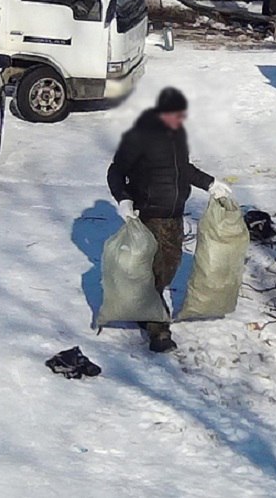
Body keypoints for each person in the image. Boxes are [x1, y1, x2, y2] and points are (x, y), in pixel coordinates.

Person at [106, 87, 232, 353]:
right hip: (149, 213)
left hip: (174, 213)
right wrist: (124, 199)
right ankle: (158, 328)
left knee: (169, 266)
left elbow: (183, 169)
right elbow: (116, 171)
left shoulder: (177, 136)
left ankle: (145, 310)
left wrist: (210, 183)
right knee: (153, 271)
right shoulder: (139, 137)